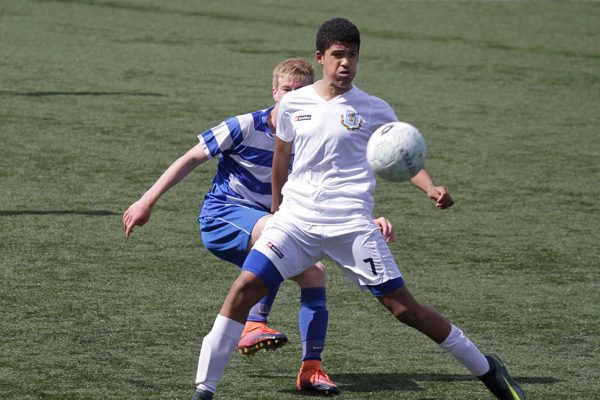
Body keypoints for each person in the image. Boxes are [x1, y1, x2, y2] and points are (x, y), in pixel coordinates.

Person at [190, 18, 526, 400]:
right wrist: (278, 211)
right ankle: (205, 390)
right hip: (295, 224)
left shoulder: (374, 109)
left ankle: (488, 370)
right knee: (243, 289)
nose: (345, 63)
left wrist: (431, 186)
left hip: (349, 227)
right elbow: (281, 160)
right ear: (321, 58)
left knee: (404, 310)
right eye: (337, 55)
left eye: (352, 55)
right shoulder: (294, 104)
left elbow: (403, 155)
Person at [123, 58, 395, 396]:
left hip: (271, 221)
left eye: (299, 91)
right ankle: (253, 322)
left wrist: (367, 219)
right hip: (223, 217)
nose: (290, 97)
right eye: (285, 90)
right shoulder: (243, 126)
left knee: (315, 273)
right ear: (274, 92)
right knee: (276, 233)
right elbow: (190, 158)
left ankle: (310, 369)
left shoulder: (307, 135)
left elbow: (328, 190)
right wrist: (146, 201)